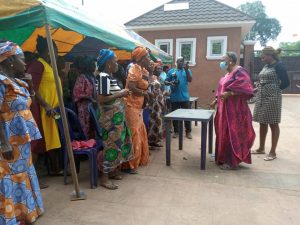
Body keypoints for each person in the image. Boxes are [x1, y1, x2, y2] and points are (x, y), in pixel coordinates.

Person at [0, 41, 44, 224]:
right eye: (22, 59)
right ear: (10, 60)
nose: (25, 63)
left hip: (22, 140)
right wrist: (3, 142)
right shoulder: (1, 82)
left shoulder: (17, 81)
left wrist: (31, 87)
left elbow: (30, 106)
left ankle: (26, 212)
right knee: (10, 176)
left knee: (23, 173)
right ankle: (12, 216)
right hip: (8, 139)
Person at [210, 52, 255, 170]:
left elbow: (246, 89)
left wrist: (230, 93)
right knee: (222, 132)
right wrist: (215, 101)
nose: (221, 62)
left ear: (230, 60)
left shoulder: (240, 72)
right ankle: (223, 157)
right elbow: (221, 90)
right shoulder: (227, 74)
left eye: (223, 59)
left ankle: (232, 161)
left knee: (232, 133)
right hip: (223, 109)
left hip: (234, 110)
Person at [96, 49, 133, 190]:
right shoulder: (103, 77)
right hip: (109, 119)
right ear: (108, 63)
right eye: (115, 60)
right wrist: (121, 93)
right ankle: (104, 178)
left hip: (116, 118)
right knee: (110, 145)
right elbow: (101, 98)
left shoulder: (109, 77)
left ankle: (113, 171)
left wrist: (121, 94)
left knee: (118, 144)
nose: (117, 63)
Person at [26, 35, 62, 175]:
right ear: (48, 50)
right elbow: (31, 88)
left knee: (52, 142)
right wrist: (46, 105)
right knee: (36, 145)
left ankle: (54, 169)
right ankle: (31, 178)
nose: (57, 53)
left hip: (51, 112)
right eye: (55, 49)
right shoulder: (38, 65)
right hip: (40, 110)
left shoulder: (48, 65)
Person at [252, 47, 290, 161]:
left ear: (270, 55)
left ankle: (273, 152)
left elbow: (286, 82)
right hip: (261, 97)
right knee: (262, 122)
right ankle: (261, 148)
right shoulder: (266, 66)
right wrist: (257, 88)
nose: (261, 58)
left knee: (273, 123)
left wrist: (275, 90)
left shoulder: (279, 66)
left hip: (273, 98)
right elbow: (262, 79)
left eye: (263, 56)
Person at [122, 46, 151, 174]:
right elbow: (132, 87)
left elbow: (145, 83)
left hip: (138, 106)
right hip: (130, 105)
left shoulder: (142, 69)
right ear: (141, 58)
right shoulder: (133, 69)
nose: (149, 59)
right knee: (133, 133)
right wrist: (145, 94)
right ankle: (129, 164)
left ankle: (137, 161)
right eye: (147, 56)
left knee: (139, 131)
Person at [165, 57, 192, 139]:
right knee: (175, 116)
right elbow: (165, 81)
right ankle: (176, 131)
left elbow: (190, 80)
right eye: (180, 61)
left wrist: (187, 70)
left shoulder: (187, 70)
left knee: (186, 116)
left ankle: (188, 132)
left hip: (185, 98)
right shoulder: (171, 71)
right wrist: (170, 82)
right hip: (174, 97)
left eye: (182, 61)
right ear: (176, 62)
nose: (181, 62)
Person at [73, 56, 96, 139]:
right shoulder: (82, 77)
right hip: (84, 108)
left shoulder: (92, 77)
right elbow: (77, 93)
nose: (94, 67)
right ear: (88, 66)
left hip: (92, 107)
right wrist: (89, 98)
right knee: (86, 128)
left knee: (93, 127)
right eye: (93, 65)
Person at [148, 64, 165, 149]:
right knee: (151, 122)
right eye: (158, 68)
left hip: (158, 103)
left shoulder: (156, 77)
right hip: (152, 104)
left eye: (161, 69)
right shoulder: (147, 76)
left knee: (158, 122)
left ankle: (155, 141)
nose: (160, 70)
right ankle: (149, 143)